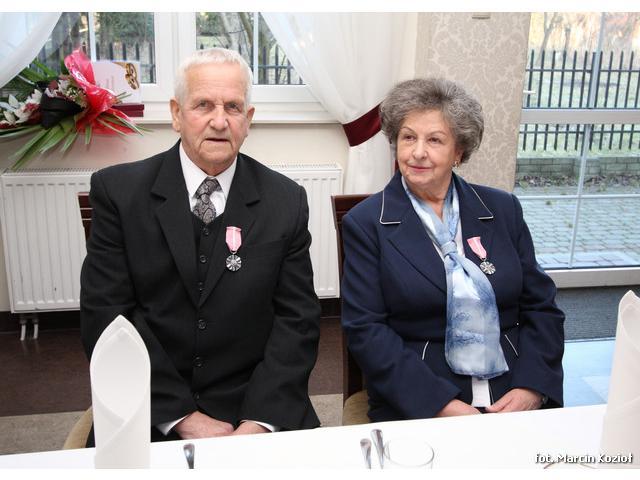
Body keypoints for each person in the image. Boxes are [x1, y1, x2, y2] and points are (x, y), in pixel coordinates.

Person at [80, 48, 321, 442]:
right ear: (176, 114)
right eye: (203, 105)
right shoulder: (118, 193)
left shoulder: (286, 201)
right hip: (150, 403)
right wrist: (182, 417)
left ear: (248, 120)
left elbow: (298, 320)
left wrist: (260, 420)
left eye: (233, 107)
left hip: (255, 402)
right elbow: (106, 316)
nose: (219, 121)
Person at [340, 77, 564, 422]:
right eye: (408, 137)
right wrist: (440, 405)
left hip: (513, 382)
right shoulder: (366, 223)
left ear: (459, 151)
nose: (418, 152)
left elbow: (542, 308)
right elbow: (365, 329)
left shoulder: (502, 209)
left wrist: (532, 386)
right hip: (423, 390)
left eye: (435, 140)